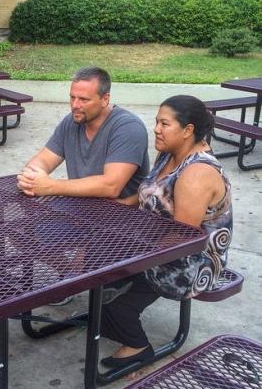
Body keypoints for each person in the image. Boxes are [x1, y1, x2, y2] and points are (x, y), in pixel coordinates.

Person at [100, 95, 233, 368]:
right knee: (96, 267)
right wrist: (116, 208)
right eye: (156, 122)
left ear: (187, 130)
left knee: (111, 302)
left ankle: (138, 348)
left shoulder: (197, 173)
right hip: (154, 245)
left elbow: (181, 239)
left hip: (190, 264)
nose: (156, 129)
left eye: (164, 124)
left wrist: (128, 252)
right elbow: (149, 194)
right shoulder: (169, 154)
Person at [17, 66, 149, 199]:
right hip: (80, 207)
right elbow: (43, 160)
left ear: (105, 99)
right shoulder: (71, 122)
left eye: (83, 99)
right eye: (72, 97)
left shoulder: (128, 128)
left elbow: (111, 186)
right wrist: (29, 178)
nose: (75, 105)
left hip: (120, 211)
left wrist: (50, 186)